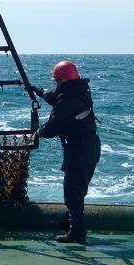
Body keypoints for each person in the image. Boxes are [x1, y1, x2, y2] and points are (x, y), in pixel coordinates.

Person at [30, 60, 101, 244]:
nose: (56, 84)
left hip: (80, 150)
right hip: (87, 148)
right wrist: (39, 91)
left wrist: (37, 133)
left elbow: (52, 127)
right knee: (76, 189)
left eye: (57, 81)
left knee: (72, 191)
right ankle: (69, 223)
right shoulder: (77, 91)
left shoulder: (68, 100)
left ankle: (77, 233)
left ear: (63, 81)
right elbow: (56, 98)